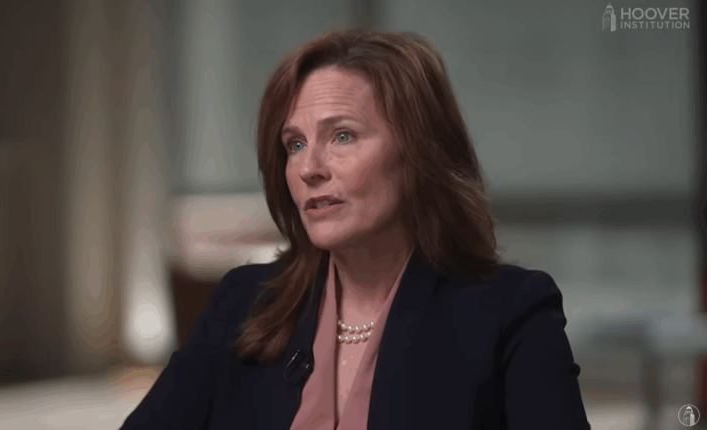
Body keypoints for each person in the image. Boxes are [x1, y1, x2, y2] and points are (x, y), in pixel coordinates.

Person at [121, 28, 591, 429]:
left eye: (342, 135)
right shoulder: (243, 301)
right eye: (295, 144)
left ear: (418, 153)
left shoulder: (511, 312)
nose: (309, 168)